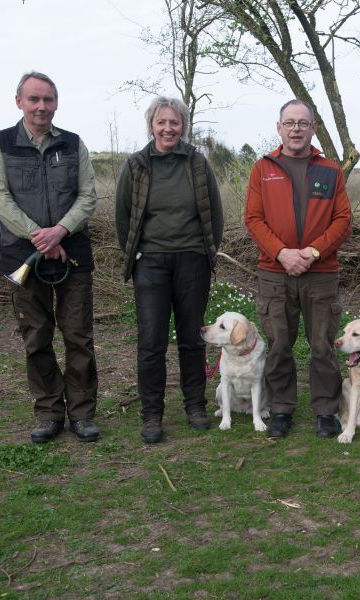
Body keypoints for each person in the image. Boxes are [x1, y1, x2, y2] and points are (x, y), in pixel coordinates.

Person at [0, 71, 100, 444]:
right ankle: (49, 413)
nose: (41, 106)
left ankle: (82, 414)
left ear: (56, 103)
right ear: (19, 102)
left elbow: (88, 197)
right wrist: (39, 236)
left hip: (73, 256)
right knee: (36, 339)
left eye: (48, 99)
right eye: (33, 99)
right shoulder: (0, 144)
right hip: (23, 259)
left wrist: (59, 232)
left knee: (78, 337)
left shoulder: (73, 144)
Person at [115, 96, 224, 444]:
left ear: (183, 126)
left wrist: (206, 253)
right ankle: (152, 414)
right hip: (151, 263)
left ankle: (195, 406)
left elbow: (215, 214)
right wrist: (136, 256)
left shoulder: (196, 163)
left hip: (192, 259)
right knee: (151, 343)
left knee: (192, 338)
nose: (168, 128)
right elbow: (123, 217)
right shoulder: (136, 165)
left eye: (174, 122)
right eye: (161, 122)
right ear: (152, 125)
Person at [244, 99, 352, 439]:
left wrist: (313, 252)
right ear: (279, 128)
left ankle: (325, 411)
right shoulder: (263, 168)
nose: (296, 129)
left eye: (302, 123)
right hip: (274, 272)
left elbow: (343, 220)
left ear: (313, 128)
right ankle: (280, 409)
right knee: (278, 344)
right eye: (289, 123)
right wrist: (281, 253)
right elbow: (253, 219)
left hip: (321, 273)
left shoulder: (331, 170)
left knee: (322, 344)